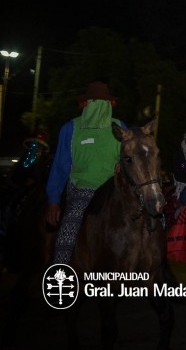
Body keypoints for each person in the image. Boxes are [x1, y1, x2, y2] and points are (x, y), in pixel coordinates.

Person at [46, 81, 125, 264]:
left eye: (103, 103)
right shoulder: (70, 129)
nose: (99, 107)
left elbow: (130, 155)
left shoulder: (119, 126)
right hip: (83, 187)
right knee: (70, 225)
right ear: (86, 103)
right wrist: (53, 201)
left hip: (115, 188)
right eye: (95, 102)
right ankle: (61, 270)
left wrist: (123, 164)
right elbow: (60, 167)